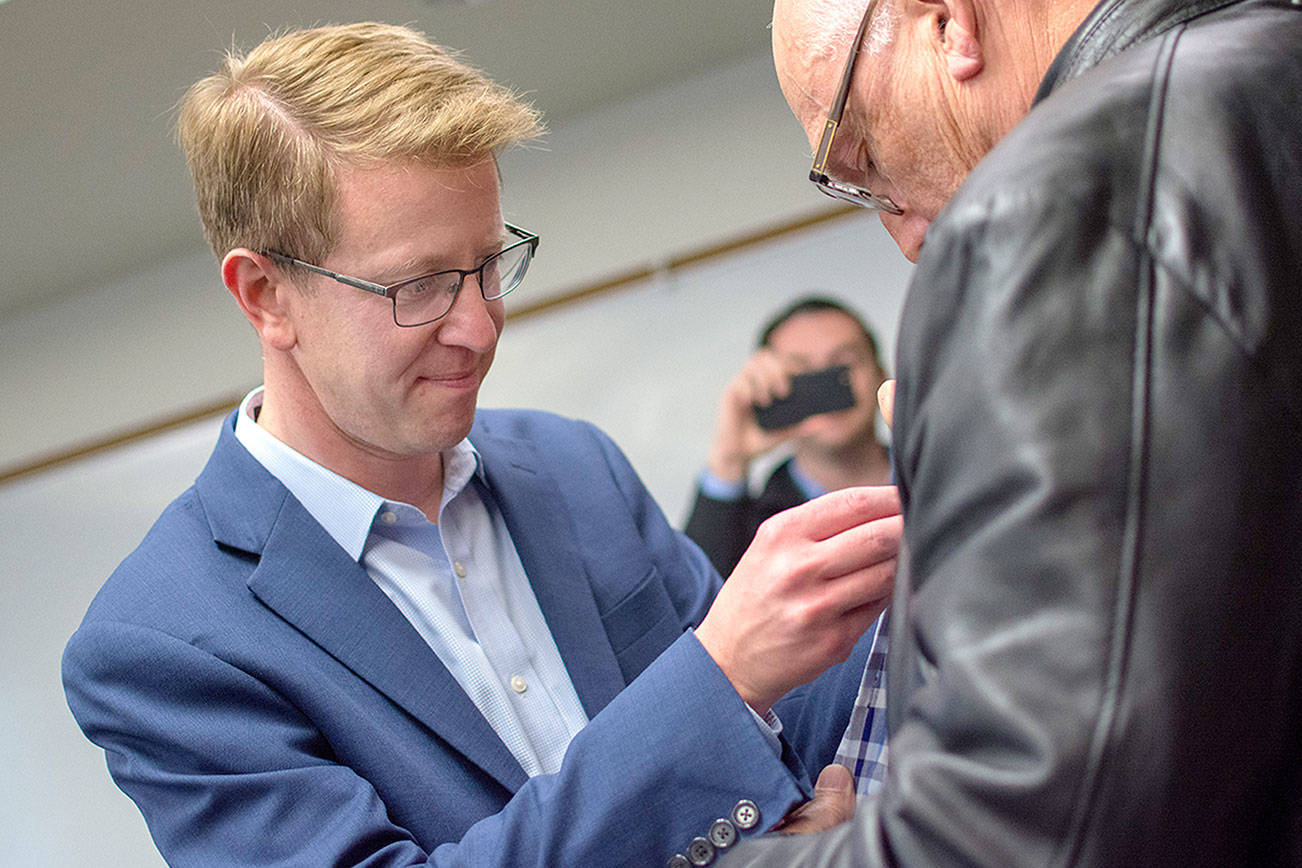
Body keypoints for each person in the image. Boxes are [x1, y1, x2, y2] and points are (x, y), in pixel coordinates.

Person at [60, 23, 904, 867]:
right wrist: (719, 687)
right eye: (418, 286)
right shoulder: (162, 641)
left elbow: (779, 733)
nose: (478, 326)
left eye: (490, 265)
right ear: (265, 295)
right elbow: (727, 707)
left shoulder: (576, 468)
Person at [723, 0, 1302, 864]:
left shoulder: (1053, 204)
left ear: (950, 21)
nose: (911, 239)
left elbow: (1022, 837)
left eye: (868, 160)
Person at [685, 295, 891, 579]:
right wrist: (729, 461)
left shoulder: (943, 477)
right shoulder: (756, 530)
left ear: (881, 375)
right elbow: (697, 604)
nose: (825, 386)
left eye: (844, 364)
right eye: (800, 372)